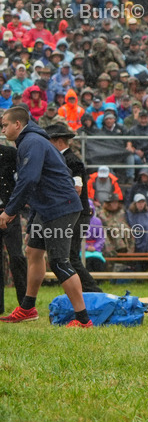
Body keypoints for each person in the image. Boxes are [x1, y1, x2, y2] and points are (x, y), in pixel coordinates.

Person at [0, 107, 91, 327]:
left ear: (17, 125)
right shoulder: (29, 141)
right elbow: (38, 184)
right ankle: (28, 308)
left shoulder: (31, 142)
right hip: (47, 207)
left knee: (59, 262)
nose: (2, 130)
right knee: (33, 251)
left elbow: (29, 180)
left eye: (4, 125)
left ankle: (83, 320)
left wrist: (10, 210)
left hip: (61, 207)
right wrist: (32, 219)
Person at [45, 123, 102, 293]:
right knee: (70, 256)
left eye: (50, 141)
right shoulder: (66, 159)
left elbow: (77, 188)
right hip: (76, 214)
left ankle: (93, 291)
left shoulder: (72, 161)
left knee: (70, 256)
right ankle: (87, 292)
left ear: (59, 141)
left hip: (76, 215)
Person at [0, 141, 28, 313]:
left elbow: (22, 180)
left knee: (17, 257)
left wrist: (14, 208)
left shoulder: (11, 153)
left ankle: (25, 305)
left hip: (10, 212)